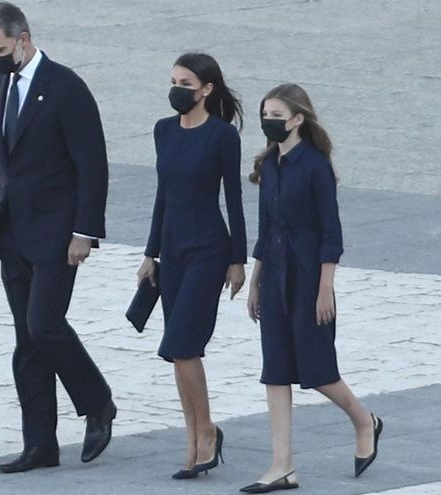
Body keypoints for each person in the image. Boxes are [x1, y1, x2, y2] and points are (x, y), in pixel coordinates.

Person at [0, 1, 116, 473]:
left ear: (24, 38)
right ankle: (40, 444)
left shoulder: (65, 87)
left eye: (2, 49)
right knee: (26, 341)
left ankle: (98, 402)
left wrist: (84, 232)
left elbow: (92, 165)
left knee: (44, 325)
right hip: (11, 234)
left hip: (57, 233)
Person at [240, 83, 383, 493]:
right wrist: (255, 281)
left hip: (308, 279)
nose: (269, 122)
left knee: (318, 370)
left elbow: (330, 234)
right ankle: (282, 465)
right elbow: (265, 230)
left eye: (277, 116)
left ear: (298, 119)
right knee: (276, 370)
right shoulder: (268, 165)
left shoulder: (316, 166)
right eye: (265, 114)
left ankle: (363, 420)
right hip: (275, 278)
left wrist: (325, 289)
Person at [136, 53, 247, 480]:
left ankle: (205, 434)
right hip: (173, 251)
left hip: (208, 250)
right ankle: (197, 435)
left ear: (206, 90)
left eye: (186, 82)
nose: (177, 89)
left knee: (182, 344)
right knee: (181, 352)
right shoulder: (164, 131)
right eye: (173, 81)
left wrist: (237, 259)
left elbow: (234, 200)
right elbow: (162, 195)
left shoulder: (222, 136)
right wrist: (151, 253)